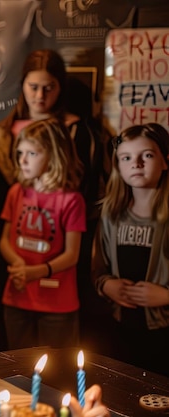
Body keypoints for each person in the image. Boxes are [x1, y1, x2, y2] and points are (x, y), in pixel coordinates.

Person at [0, 49, 105, 351]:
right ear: (22, 85)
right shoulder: (0, 135)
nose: (40, 95)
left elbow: (88, 194)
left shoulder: (80, 132)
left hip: (58, 264)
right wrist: (16, 264)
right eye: (33, 86)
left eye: (48, 87)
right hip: (15, 264)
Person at [0, 118, 86, 349]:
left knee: (57, 372)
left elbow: (72, 255)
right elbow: (5, 241)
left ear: (54, 155)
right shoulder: (16, 192)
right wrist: (19, 266)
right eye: (20, 153)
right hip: (17, 295)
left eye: (32, 154)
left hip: (57, 303)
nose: (23, 160)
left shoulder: (71, 200)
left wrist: (36, 271)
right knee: (18, 368)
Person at [92, 123, 169, 377]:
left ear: (165, 161)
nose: (136, 163)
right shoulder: (110, 215)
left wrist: (166, 296)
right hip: (120, 330)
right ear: (118, 165)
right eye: (126, 157)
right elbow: (97, 267)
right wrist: (106, 285)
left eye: (146, 155)